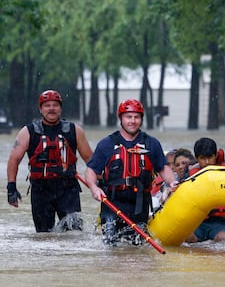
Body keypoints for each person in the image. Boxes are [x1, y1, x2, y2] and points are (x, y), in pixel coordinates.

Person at [85, 99, 178, 246]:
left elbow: (163, 168)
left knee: (136, 249)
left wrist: (172, 182)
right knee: (111, 245)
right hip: (113, 203)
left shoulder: (152, 143)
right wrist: (93, 187)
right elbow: (91, 170)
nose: (132, 121)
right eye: (129, 117)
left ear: (141, 119)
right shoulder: (107, 143)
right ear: (121, 118)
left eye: (136, 117)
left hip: (139, 204)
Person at [6, 89, 93, 232]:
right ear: (40, 109)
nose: (51, 108)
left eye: (55, 105)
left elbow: (90, 159)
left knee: (74, 235)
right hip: (41, 190)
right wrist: (11, 188)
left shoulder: (74, 130)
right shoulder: (28, 131)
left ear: (60, 108)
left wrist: (101, 182)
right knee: (44, 237)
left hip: (68, 189)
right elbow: (13, 160)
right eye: (47, 105)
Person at [185, 137, 225, 243]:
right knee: (187, 238)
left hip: (220, 224)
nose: (207, 162)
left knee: (223, 238)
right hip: (198, 223)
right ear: (197, 158)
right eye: (203, 158)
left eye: (210, 157)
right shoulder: (190, 176)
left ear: (216, 156)